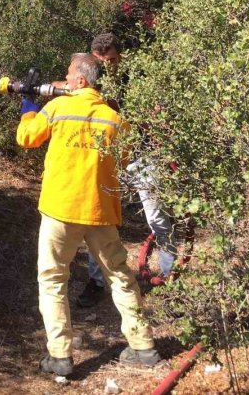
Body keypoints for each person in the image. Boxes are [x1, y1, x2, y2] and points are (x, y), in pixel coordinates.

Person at [17, 53, 161, 376]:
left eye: (68, 76)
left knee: (53, 279)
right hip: (99, 213)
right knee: (121, 277)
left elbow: (26, 138)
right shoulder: (114, 119)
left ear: (81, 80)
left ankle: (60, 356)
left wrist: (28, 104)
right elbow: (123, 160)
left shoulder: (57, 109)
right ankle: (143, 346)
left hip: (60, 210)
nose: (65, 80)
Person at [77, 32, 177, 308]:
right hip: (107, 157)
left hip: (141, 157)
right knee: (97, 220)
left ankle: (171, 277)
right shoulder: (87, 81)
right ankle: (97, 281)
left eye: (109, 60)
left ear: (119, 57)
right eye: (99, 60)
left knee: (157, 218)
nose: (105, 66)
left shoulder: (136, 78)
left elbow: (154, 113)